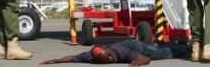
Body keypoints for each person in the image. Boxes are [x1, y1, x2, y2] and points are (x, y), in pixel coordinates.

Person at [40, 39, 190, 66]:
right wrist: (56, 60)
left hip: (135, 46)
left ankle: (187, 49)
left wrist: (138, 62)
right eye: (106, 61)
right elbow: (73, 57)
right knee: (157, 48)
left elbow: (145, 59)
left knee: (163, 53)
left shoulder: (122, 53)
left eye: (109, 59)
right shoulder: (90, 57)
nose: (110, 61)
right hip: (128, 45)